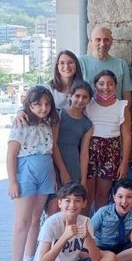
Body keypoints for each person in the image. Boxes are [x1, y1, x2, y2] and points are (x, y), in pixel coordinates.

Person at [0, 86, 60, 261]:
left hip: (45, 174)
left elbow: (52, 150)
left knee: (35, 220)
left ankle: (29, 260)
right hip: (26, 175)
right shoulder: (21, 124)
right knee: (22, 221)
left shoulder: (48, 124)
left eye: (46, 104)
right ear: (29, 105)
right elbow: (11, 155)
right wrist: (13, 181)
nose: (43, 108)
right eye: (38, 104)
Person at [24, 183, 117, 261]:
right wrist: (64, 237)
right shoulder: (51, 223)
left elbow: (96, 258)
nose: (72, 205)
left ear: (84, 203)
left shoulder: (86, 222)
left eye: (77, 201)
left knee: (110, 257)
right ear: (60, 204)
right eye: (67, 201)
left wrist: (88, 237)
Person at [85, 70, 132, 212]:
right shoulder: (88, 105)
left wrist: (124, 163)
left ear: (115, 86)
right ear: (95, 85)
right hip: (90, 151)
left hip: (111, 153)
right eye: (101, 83)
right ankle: (84, 229)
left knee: (102, 195)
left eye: (110, 84)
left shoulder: (122, 107)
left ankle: (99, 230)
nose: (105, 87)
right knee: (87, 195)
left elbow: (127, 136)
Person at [50, 80, 93, 214]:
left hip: (73, 164)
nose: (80, 100)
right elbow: (54, 144)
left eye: (85, 97)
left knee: (72, 207)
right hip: (55, 164)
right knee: (54, 207)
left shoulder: (87, 124)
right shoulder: (59, 115)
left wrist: (83, 180)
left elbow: (84, 153)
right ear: (70, 96)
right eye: (77, 96)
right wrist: (62, 170)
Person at [79, 26, 132, 107]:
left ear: (111, 42)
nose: (102, 44)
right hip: (87, 116)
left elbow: (127, 97)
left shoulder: (121, 65)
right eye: (98, 40)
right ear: (90, 41)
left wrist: (124, 115)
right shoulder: (80, 62)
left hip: (113, 116)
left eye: (106, 40)